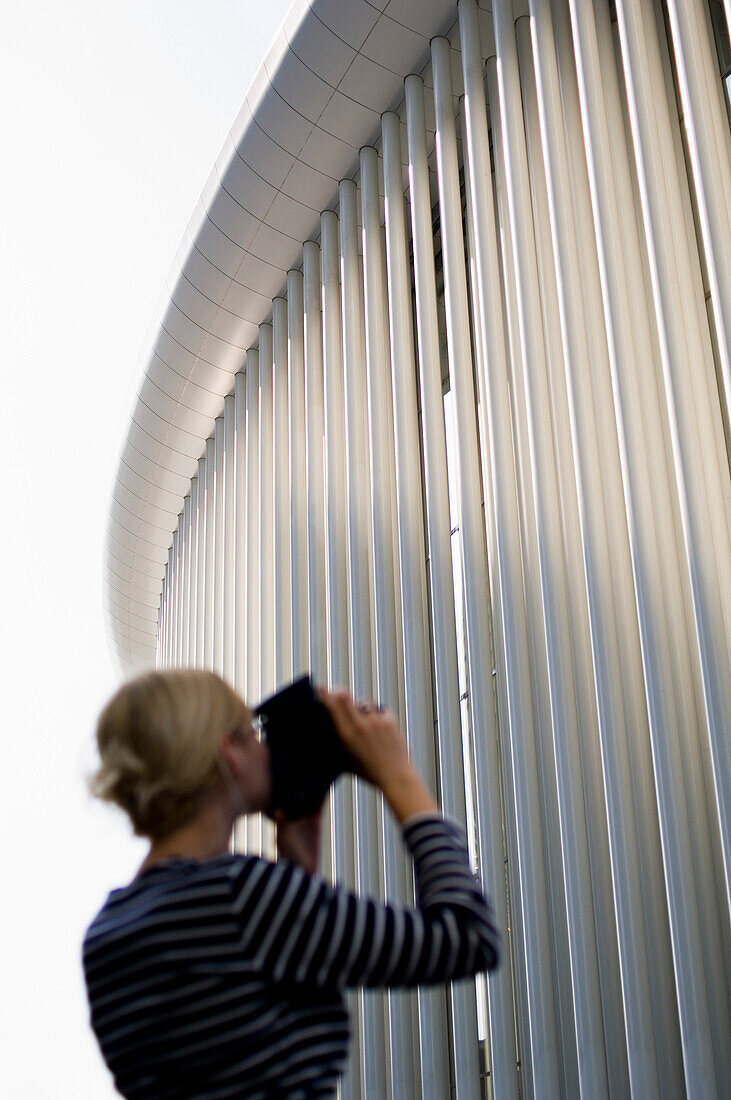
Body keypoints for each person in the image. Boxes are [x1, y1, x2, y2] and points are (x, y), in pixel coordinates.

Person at [83, 669, 499, 1099]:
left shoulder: (107, 936)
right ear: (231, 754)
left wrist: (297, 874)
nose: (265, 747)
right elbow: (468, 937)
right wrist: (400, 778)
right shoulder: (243, 896)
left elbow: (229, 1047)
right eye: (253, 733)